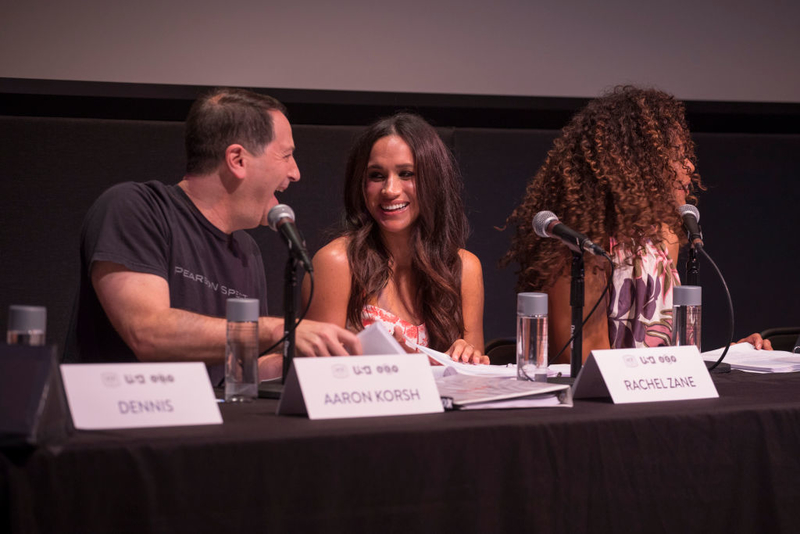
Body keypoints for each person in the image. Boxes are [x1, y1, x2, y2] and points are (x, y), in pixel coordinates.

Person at [63, 88, 361, 383]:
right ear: (238, 160)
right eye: (286, 156)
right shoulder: (135, 207)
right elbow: (148, 332)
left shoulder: (247, 250)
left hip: (205, 426)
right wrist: (277, 330)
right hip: (123, 423)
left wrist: (328, 351)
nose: (295, 173)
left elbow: (241, 372)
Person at [503, 86, 770, 364]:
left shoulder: (666, 240)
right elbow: (588, 367)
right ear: (634, 163)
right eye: (677, 157)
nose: (689, 166)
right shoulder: (578, 251)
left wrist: (733, 354)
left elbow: (666, 350)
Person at [301, 113, 487, 363]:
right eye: (377, 175)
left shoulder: (465, 268)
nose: (390, 190)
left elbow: (476, 380)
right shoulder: (336, 262)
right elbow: (320, 377)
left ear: (433, 180)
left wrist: (469, 357)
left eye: (406, 174)